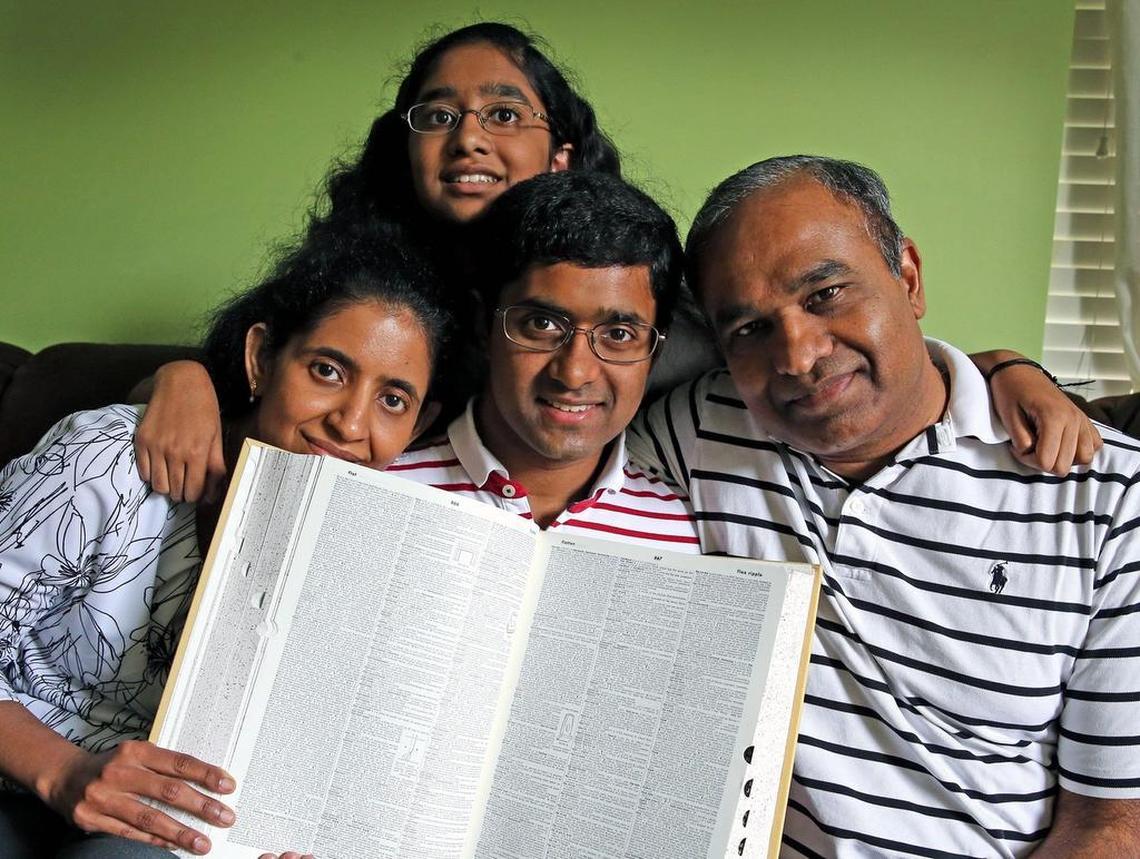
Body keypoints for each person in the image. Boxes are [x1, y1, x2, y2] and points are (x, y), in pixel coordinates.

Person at [131, 21, 1093, 505]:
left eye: (504, 113)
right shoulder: (362, 289)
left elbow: (804, 337)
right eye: (438, 114)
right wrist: (179, 375)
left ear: (558, 155)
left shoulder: (629, 282)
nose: (469, 134)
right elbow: (253, 381)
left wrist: (1006, 367)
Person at [632, 155, 1138, 856]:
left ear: (908, 275)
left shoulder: (1106, 496)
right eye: (749, 329)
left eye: (827, 294)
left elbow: (1110, 824)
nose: (798, 355)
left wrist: (1007, 366)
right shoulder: (704, 428)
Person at [0, 219, 453, 858]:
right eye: (326, 370)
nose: (351, 423)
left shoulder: (373, 547)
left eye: (394, 400)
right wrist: (63, 771)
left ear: (420, 422)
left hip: (159, 832)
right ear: (261, 359)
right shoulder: (107, 460)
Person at [389, 170, 700, 546]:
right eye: (542, 324)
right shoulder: (379, 491)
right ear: (483, 324)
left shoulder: (686, 534)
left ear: (656, 350)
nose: (574, 373)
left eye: (618, 335)